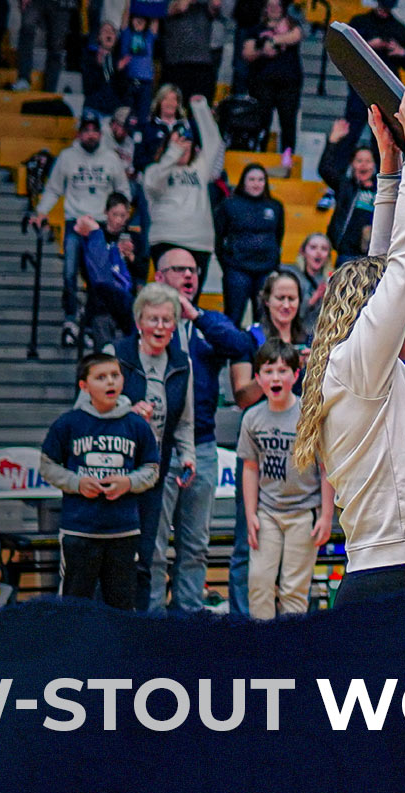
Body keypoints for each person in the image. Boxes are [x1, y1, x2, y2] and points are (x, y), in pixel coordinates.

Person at [296, 100, 405, 603]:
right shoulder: (356, 368)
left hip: (394, 573)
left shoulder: (355, 369)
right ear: (373, 315)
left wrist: (389, 164)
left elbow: (384, 262)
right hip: (397, 578)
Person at [147, 247, 254, 611]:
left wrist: (197, 315)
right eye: (179, 270)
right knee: (155, 546)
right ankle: (150, 622)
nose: (189, 276)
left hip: (203, 445)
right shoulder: (150, 324)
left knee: (195, 545)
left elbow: (241, 345)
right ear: (160, 277)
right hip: (158, 448)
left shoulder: (208, 324)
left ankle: (188, 617)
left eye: (193, 270)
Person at [39, 352, 162, 610]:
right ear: (84, 386)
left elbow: (152, 469)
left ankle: (118, 651)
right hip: (79, 529)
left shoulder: (137, 426)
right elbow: (47, 467)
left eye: (115, 376)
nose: (110, 383)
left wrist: (128, 482)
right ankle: (75, 650)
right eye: (101, 377)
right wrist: (76, 482)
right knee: (75, 603)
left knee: (122, 605)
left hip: (123, 530)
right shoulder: (69, 424)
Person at [100, 284, 194, 612]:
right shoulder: (116, 353)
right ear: (139, 321)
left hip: (154, 471)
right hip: (110, 467)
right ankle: (103, 625)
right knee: (110, 552)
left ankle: (136, 628)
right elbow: (89, 403)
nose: (160, 327)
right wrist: (125, 407)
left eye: (167, 320)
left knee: (145, 554)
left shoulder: (182, 362)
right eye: (153, 319)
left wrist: (189, 455)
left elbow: (184, 420)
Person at [239, 340, 332, 618]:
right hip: (267, 513)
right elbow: (250, 468)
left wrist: (326, 515)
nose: (276, 377)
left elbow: (326, 468)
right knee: (259, 582)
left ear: (295, 374)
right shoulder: (252, 418)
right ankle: (263, 649)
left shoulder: (310, 416)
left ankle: (291, 652)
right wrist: (251, 514)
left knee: (294, 589)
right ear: (258, 378)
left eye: (283, 370)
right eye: (268, 371)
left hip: (304, 513)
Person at [29, 116, 132, 348]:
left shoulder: (111, 158)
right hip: (75, 223)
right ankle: (70, 319)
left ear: (100, 133)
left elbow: (123, 190)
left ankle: (88, 323)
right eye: (86, 130)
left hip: (101, 226)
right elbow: (54, 188)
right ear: (79, 133)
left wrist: (120, 220)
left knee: (98, 279)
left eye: (95, 130)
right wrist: (42, 212)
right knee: (68, 272)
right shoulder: (67, 157)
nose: (91, 134)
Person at [146, 96, 224, 307]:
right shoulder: (156, 170)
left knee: (192, 303)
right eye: (178, 142)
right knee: (166, 301)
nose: (183, 147)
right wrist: (172, 153)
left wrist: (200, 108)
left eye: (186, 143)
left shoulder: (200, 167)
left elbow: (214, 143)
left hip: (199, 243)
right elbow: (152, 185)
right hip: (166, 239)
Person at [217, 163, 286, 321]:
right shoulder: (229, 204)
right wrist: (228, 264)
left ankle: (263, 347)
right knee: (233, 317)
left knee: (264, 320)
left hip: (265, 270)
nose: (257, 183)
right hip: (237, 269)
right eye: (252, 179)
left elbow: (278, 236)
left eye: (261, 179)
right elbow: (219, 238)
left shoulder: (275, 206)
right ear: (244, 181)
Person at [72, 192, 141, 345]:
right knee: (105, 354)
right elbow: (87, 270)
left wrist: (130, 257)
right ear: (106, 212)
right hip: (101, 305)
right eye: (115, 214)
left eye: (123, 215)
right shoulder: (97, 236)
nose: (119, 220)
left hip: (126, 303)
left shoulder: (133, 238)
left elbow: (141, 271)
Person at [241, 0, 304, 155]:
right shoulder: (256, 29)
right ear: (265, 8)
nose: (274, 9)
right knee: (261, 121)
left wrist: (272, 40)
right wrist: (263, 51)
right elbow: (246, 53)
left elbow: (296, 36)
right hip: (262, 82)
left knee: (288, 123)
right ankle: (259, 153)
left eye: (277, 6)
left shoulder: (292, 26)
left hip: (288, 83)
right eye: (271, 5)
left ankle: (287, 158)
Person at [318, 118, 381, 265]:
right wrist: (332, 141)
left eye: (368, 161)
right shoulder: (346, 186)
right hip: (345, 255)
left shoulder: (383, 189)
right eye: (359, 161)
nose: (363, 165)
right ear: (352, 164)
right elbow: (325, 169)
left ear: (374, 165)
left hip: (373, 257)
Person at [340, 0, 405, 131]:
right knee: (350, 131)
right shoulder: (360, 22)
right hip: (361, 84)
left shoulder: (399, 28)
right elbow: (344, 51)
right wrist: (368, 45)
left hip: (387, 87)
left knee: (384, 134)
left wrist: (400, 51)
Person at [160, 0, 221, 101]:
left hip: (202, 64)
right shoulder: (169, 3)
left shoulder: (204, 6)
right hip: (177, 64)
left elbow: (216, 4)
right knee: (176, 106)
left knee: (200, 109)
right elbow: (180, 7)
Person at [12, 0, 78, 91]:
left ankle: (50, 88)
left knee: (56, 47)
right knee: (27, 30)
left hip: (62, 4)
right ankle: (23, 78)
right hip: (35, 3)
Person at [249, 270, 311, 360]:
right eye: (280, 298)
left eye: (291, 299)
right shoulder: (252, 338)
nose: (286, 305)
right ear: (266, 300)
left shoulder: (309, 340)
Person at [80, 22, 132, 119]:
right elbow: (88, 87)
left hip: (113, 112)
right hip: (93, 108)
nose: (109, 33)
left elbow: (123, 90)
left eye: (112, 31)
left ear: (116, 38)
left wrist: (118, 71)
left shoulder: (120, 60)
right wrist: (98, 67)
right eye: (105, 31)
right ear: (98, 37)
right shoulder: (90, 57)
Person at [287, 233, 333, 327]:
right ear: (303, 251)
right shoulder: (291, 277)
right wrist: (313, 299)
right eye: (313, 247)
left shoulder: (331, 279)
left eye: (324, 249)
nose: (318, 252)